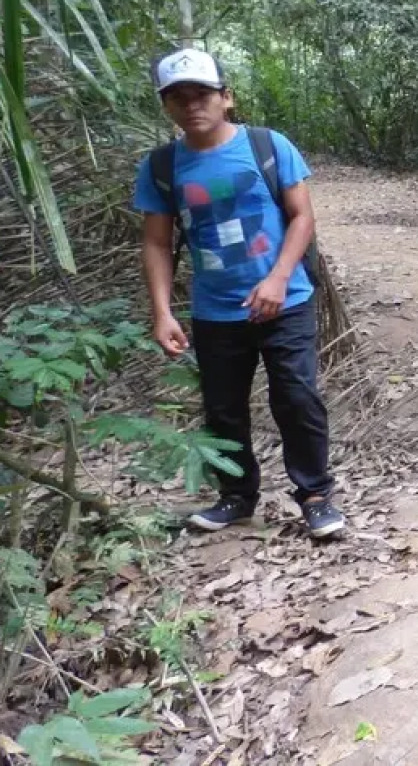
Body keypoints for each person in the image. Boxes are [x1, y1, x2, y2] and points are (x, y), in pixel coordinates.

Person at [133, 47, 345, 539]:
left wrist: (276, 277)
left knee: (296, 397)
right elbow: (157, 242)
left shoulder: (267, 146)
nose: (192, 105)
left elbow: (302, 217)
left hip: (285, 299)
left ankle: (315, 495)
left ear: (226, 97)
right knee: (223, 406)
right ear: (167, 106)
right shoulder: (163, 166)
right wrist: (162, 312)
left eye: (202, 93)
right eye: (178, 97)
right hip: (215, 309)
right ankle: (236, 497)